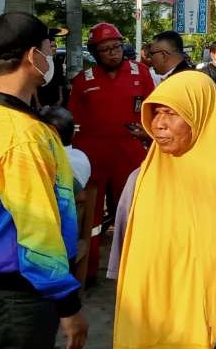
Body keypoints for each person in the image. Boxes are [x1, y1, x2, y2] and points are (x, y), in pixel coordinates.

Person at [109, 71, 216, 348]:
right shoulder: (139, 182)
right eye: (155, 113)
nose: (159, 125)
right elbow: (125, 269)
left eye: (171, 113)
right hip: (158, 328)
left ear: (203, 114)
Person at [0, 12, 88, 349]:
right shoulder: (22, 135)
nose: (51, 52)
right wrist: (68, 305)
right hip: (18, 295)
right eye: (47, 46)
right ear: (32, 56)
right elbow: (37, 227)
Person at [67, 22, 154, 280]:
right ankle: (89, 270)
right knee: (90, 219)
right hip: (94, 159)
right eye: (106, 49)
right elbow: (73, 122)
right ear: (95, 53)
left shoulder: (142, 73)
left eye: (116, 46)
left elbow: (154, 109)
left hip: (131, 156)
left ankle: (137, 270)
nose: (113, 52)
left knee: (134, 213)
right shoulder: (83, 82)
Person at [36, 26, 68, 107]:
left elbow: (60, 81)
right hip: (41, 99)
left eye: (55, 46)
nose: (54, 49)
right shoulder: (39, 62)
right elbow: (34, 84)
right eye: (51, 46)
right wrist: (37, 102)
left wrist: (60, 98)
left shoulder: (57, 62)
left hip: (55, 100)